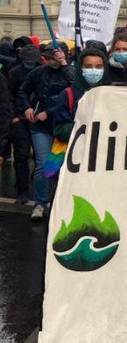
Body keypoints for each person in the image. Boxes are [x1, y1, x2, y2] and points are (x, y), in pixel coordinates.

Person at [17, 43, 74, 220]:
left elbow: (76, 91)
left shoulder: (71, 73)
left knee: (57, 166)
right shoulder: (38, 73)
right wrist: (27, 107)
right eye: (48, 58)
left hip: (63, 127)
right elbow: (23, 91)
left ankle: (58, 201)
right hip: (40, 128)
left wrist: (48, 113)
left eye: (54, 58)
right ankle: (40, 203)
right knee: (42, 164)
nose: (51, 61)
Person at [48, 46, 109, 200]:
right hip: (73, 160)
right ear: (80, 68)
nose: (94, 70)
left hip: (102, 161)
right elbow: (60, 129)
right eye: (88, 67)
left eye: (99, 67)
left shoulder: (111, 94)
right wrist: (87, 129)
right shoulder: (67, 94)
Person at [7, 43, 40, 203]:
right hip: (20, 119)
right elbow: (9, 96)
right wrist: (14, 116)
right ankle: (22, 191)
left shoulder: (42, 70)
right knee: (21, 155)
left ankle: (37, 186)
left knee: (41, 157)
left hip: (39, 118)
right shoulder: (14, 73)